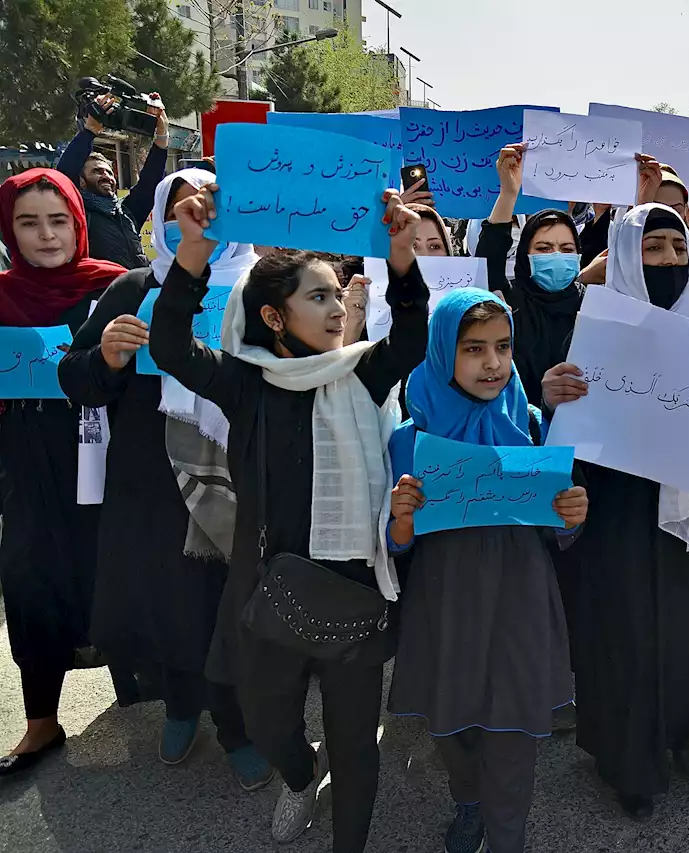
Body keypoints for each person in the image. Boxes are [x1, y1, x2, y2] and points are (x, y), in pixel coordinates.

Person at [148, 182, 427, 853]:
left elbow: (411, 337)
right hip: (265, 589)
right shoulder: (244, 383)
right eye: (318, 296)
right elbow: (168, 348)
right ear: (274, 317)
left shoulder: (362, 374)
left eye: (338, 294)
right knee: (270, 727)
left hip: (355, 586)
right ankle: (302, 776)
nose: (337, 310)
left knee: (357, 744)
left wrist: (401, 256)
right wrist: (192, 255)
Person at [540, 203, 689, 822]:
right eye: (653, 248)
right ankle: (626, 761)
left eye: (678, 247)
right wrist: (552, 397)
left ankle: (679, 732)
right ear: (623, 254)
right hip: (619, 516)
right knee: (625, 640)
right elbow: (567, 431)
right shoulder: (592, 330)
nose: (669, 260)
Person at [57, 169, 272, 789]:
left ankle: (237, 724)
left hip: (237, 472)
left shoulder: (260, 289)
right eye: (181, 212)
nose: (194, 222)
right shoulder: (131, 288)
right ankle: (181, 705)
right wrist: (108, 357)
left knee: (230, 601)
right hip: (151, 480)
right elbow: (75, 380)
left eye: (207, 210)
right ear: (160, 217)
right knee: (172, 601)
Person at [385, 288, 587, 853]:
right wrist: (401, 518)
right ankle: (467, 798)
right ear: (442, 349)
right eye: (473, 348)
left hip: (520, 601)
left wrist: (572, 514)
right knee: (451, 725)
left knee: (511, 733)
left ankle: (506, 837)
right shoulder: (411, 437)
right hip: (444, 604)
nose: (493, 363)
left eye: (503, 347)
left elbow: (558, 532)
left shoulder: (532, 423)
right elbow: (396, 546)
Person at [0, 169, 124, 776]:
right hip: (25, 460)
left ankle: (147, 694)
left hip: (102, 450)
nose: (45, 235)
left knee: (114, 566)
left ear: (79, 223)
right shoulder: (0, 294)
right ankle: (41, 722)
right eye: (28, 222)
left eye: (58, 220)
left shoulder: (114, 288)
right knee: (29, 580)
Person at [475, 143, 586, 408]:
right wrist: (508, 194)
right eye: (544, 249)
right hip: (524, 436)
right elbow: (488, 262)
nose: (557, 255)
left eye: (567, 249)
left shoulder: (592, 305)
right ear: (525, 255)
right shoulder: (509, 302)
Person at [55, 94, 171, 269]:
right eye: (97, 171)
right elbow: (64, 175)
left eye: (109, 172)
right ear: (82, 182)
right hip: (100, 295)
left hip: (139, 291)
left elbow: (150, 182)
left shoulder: (127, 213)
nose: (106, 176)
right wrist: (90, 131)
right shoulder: (79, 216)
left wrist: (162, 134)